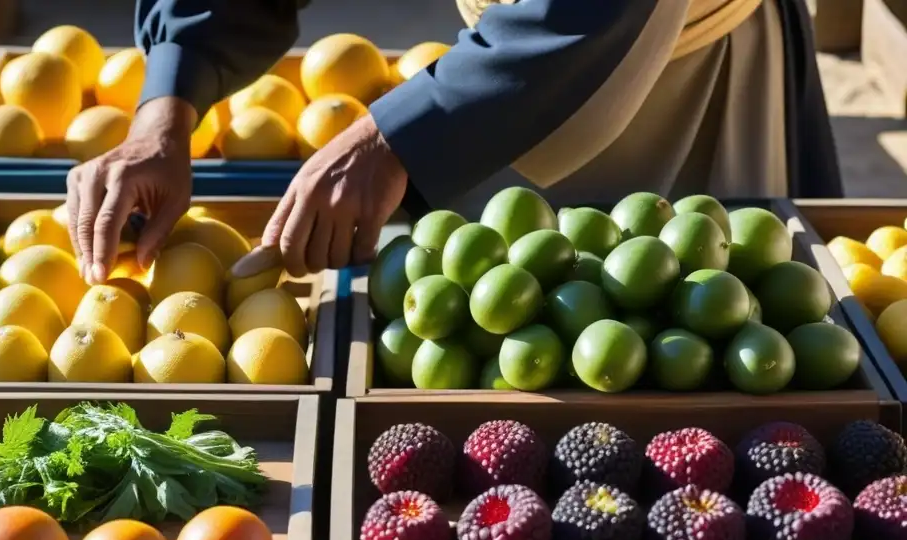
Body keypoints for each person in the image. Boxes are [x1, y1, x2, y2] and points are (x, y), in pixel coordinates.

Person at [67, 0, 840, 285]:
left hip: (679, 72)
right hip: (488, 70)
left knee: (687, 314)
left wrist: (398, 133)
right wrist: (170, 95)